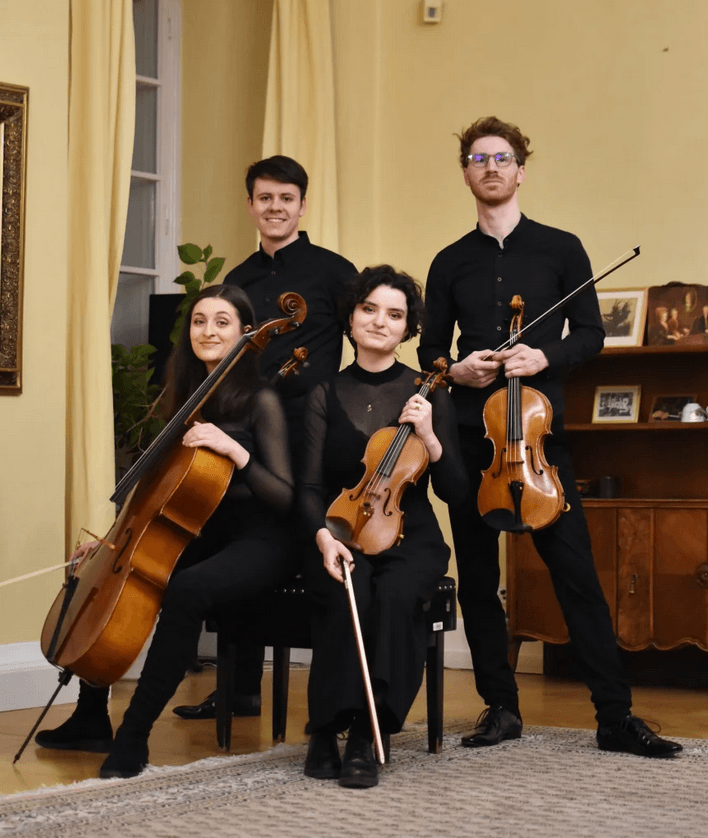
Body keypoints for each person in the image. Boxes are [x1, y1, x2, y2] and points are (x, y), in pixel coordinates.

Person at [418, 115, 682, 758]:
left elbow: (590, 334)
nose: (490, 167)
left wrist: (544, 356)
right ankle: (501, 708)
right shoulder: (448, 261)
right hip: (474, 442)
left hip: (539, 442)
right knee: (478, 580)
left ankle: (614, 717)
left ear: (520, 170)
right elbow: (430, 352)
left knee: (576, 576)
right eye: (478, 158)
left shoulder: (562, 248)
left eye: (501, 158)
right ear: (465, 174)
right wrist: (458, 369)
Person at [36, 284, 296, 778]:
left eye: (222, 321)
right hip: (200, 531)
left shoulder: (260, 400)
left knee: (187, 589)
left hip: (260, 539)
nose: (208, 331)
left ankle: (133, 737)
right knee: (116, 572)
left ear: (246, 332)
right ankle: (91, 717)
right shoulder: (184, 399)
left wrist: (236, 451)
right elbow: (158, 490)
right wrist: (115, 538)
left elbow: (285, 497)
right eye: (199, 321)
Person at [172, 155, 356, 722]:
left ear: (302, 205)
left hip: (312, 434)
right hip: (248, 430)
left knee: (291, 546)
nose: (275, 208)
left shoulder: (335, 272)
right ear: (251, 205)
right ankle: (240, 688)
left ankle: (334, 700)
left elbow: (367, 343)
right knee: (237, 538)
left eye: (286, 198)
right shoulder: (239, 280)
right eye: (265, 198)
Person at [300, 266, 468, 788]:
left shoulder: (428, 392)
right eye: (369, 309)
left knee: (394, 595)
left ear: (407, 328)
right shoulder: (324, 392)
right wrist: (324, 537)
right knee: (347, 591)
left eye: (394, 314)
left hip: (411, 533)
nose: (379, 321)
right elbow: (308, 486)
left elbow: (455, 491)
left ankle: (366, 735)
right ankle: (324, 728)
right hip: (342, 529)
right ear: (351, 318)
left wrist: (430, 436)